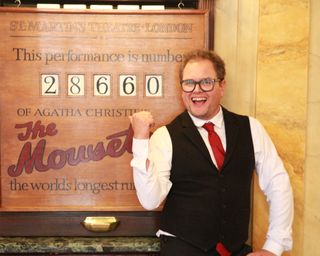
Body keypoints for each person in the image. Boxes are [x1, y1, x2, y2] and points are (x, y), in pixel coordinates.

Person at [129, 49, 293, 256]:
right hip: (182, 249)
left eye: (206, 82)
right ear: (181, 90)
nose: (196, 90)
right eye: (189, 83)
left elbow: (278, 184)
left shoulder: (251, 128)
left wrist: (274, 246)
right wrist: (141, 141)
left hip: (235, 250)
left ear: (222, 86)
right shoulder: (165, 136)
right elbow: (150, 200)